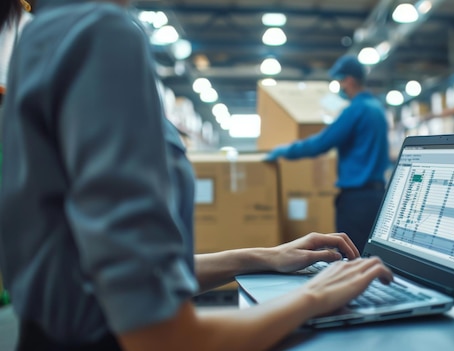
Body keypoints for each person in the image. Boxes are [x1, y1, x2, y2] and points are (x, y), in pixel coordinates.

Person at [0, 0, 393, 350]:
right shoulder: (99, 34)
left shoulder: (43, 38)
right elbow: (162, 338)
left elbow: (107, 279)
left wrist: (263, 257)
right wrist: (314, 297)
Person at [266, 54, 390, 252]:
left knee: (352, 258)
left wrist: (284, 151)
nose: (338, 86)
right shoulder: (377, 109)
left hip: (356, 201)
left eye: (339, 81)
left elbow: (321, 144)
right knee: (372, 257)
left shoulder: (356, 110)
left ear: (348, 80)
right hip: (378, 197)